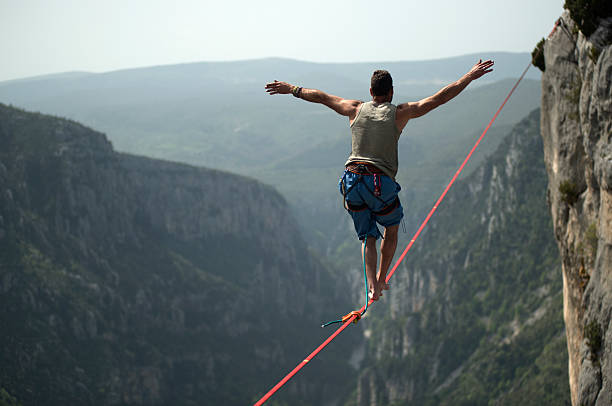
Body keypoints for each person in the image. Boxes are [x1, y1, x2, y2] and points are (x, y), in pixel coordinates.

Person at [265, 59, 494, 301]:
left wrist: (292, 89)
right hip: (378, 182)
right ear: (391, 92)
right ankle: (381, 280)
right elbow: (439, 98)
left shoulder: (353, 108)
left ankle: (371, 284)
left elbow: (321, 97)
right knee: (391, 229)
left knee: (368, 237)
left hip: (351, 181)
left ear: (371, 92)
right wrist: (469, 76)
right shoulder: (400, 113)